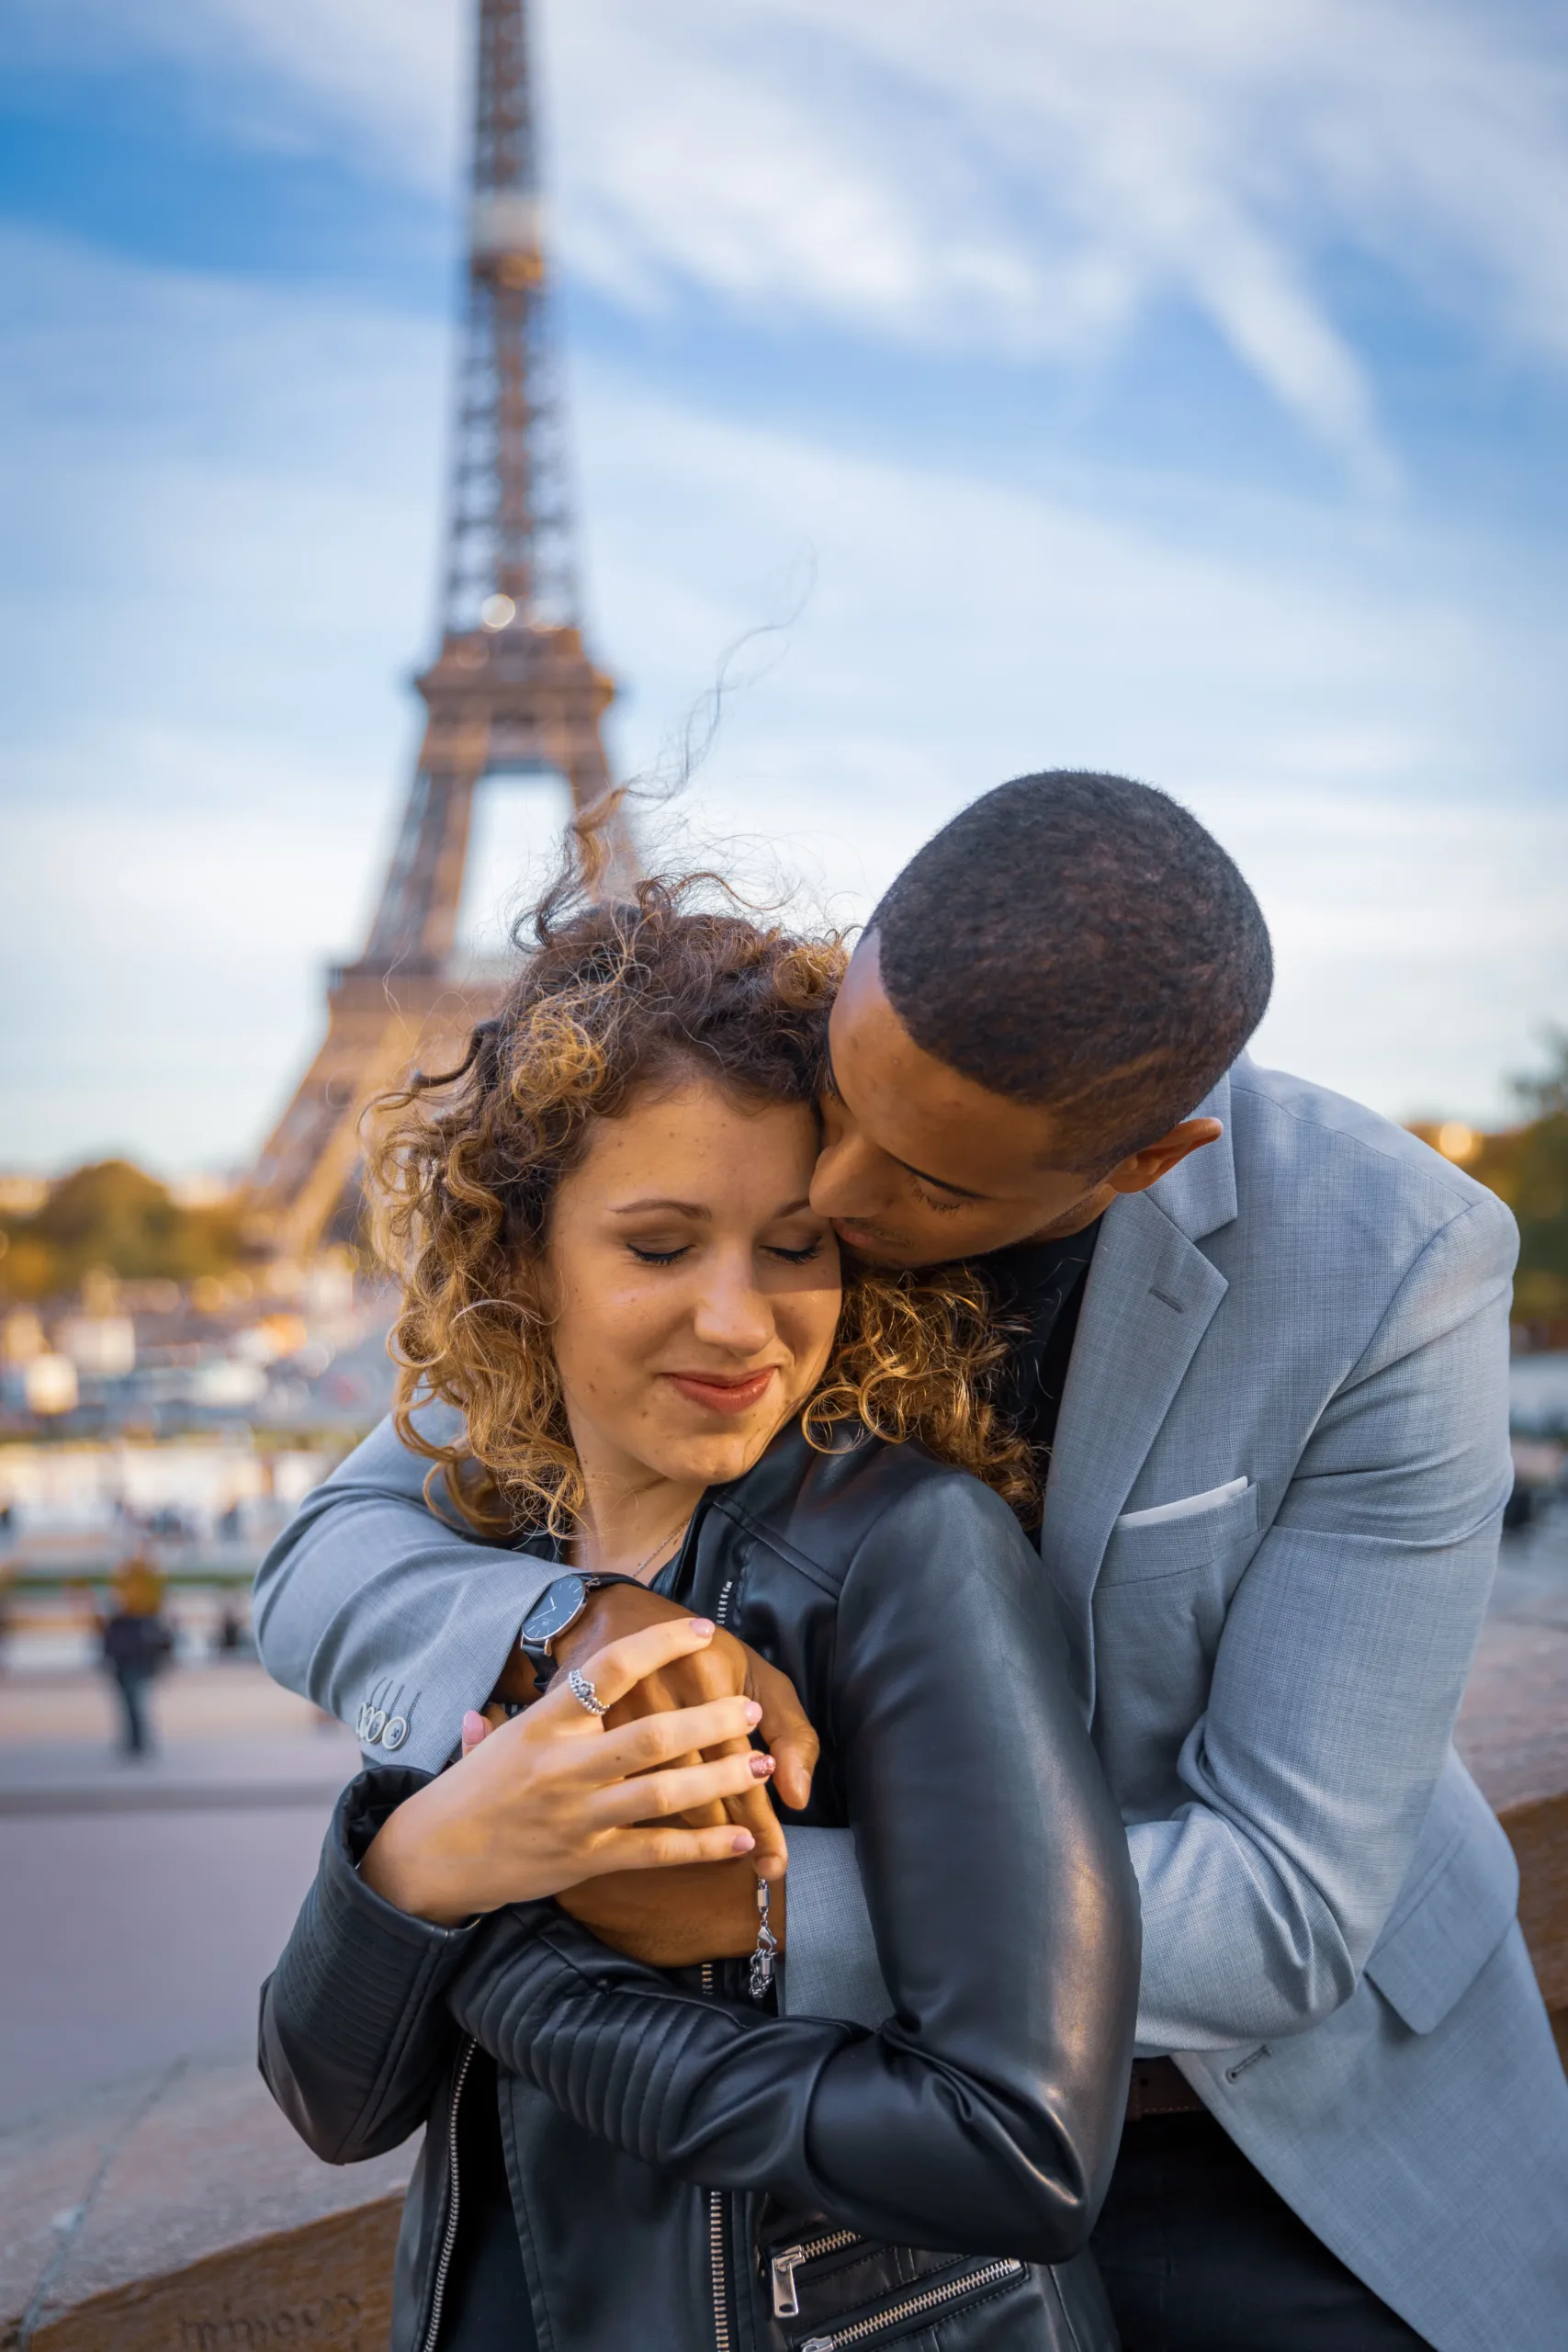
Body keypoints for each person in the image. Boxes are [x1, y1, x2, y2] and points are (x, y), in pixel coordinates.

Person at [255, 774, 1568, 2352]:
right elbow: (340, 1540)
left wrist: (739, 1912)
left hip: (1272, 2140)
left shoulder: (1391, 1266)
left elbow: (1282, 1902)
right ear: (863, 965)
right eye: (846, 1098)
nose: (837, 1192)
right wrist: (574, 1618)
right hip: (843, 2160)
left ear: (1145, 1163)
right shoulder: (756, 1144)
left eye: (927, 1180)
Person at [259, 881, 1138, 2352]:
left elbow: (1019, 2147)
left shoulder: (910, 1551)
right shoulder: (502, 1546)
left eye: (791, 1249)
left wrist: (524, 1979)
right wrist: (424, 1857)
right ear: (523, 1255)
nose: (735, 1320)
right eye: (659, 1248)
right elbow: (328, 2098)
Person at [100, 1556, 173, 1758]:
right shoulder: (129, 1601)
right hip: (126, 1656)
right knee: (131, 1698)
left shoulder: (141, 1604)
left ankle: (138, 1742)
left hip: (133, 1655)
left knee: (133, 1697)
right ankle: (136, 1741)